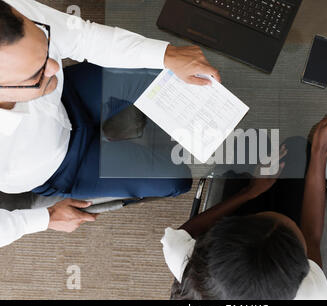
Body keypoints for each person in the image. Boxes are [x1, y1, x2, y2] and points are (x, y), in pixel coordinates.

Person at [0, 0, 221, 247]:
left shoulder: (9, 11)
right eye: (35, 74)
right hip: (61, 166)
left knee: (170, 75)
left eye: (46, 46)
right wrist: (45, 218)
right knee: (176, 180)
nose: (54, 65)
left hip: (68, 97)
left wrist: (167, 54)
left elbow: (83, 36)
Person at [161, 101, 327, 299]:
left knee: (250, 140)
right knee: (298, 148)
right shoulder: (310, 293)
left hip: (239, 230)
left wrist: (250, 191)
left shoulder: (182, 258)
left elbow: (184, 233)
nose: (274, 217)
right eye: (289, 229)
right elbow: (310, 236)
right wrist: (320, 149)